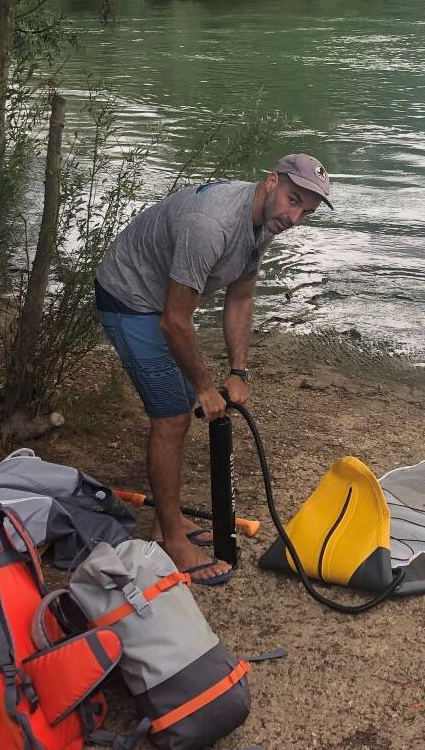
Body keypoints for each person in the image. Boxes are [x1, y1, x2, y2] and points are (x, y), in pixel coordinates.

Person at [94, 153, 333, 584]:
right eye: (292, 200)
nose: (294, 217)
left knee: (179, 408)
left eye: (305, 211)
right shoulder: (212, 225)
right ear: (270, 181)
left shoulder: (265, 222)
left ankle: (170, 520)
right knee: (171, 417)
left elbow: (241, 296)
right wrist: (206, 385)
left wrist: (237, 372)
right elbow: (174, 320)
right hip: (128, 296)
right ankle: (171, 537)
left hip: (160, 302)